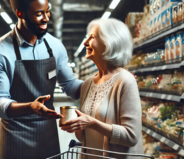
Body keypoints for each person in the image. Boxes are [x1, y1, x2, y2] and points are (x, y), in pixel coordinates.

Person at [0, 0, 83, 159]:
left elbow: (70, 85)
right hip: (14, 139)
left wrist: (103, 82)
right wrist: (31, 107)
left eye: (47, 12)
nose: (46, 18)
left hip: (48, 136)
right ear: (20, 13)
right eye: (39, 14)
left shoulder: (55, 46)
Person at [60, 18, 144, 159]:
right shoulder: (87, 84)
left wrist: (93, 123)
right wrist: (75, 126)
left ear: (109, 42)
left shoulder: (125, 81)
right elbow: (83, 138)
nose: (86, 42)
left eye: (91, 37)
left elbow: (131, 136)